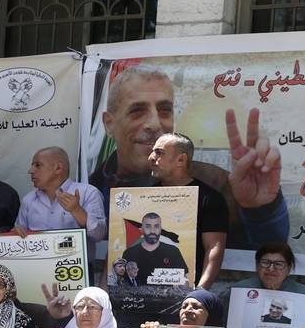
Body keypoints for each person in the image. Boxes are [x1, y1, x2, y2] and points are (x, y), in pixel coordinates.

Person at [91, 65, 288, 247]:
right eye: (137, 111)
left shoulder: (216, 184)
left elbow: (269, 253)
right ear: (109, 123)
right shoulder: (90, 191)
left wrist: (261, 211)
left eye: (164, 111)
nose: (154, 124)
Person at [148, 133, 228, 288]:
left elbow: (213, 250)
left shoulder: (209, 198)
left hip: (186, 295)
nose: (151, 158)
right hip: (144, 293)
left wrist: (199, 294)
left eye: (159, 153)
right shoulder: (144, 197)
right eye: (152, 152)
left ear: (181, 159)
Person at [14, 147, 107, 255]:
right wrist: (16, 235)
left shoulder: (88, 193)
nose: (30, 171)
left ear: (58, 168)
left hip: (77, 269)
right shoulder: (28, 200)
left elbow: (99, 235)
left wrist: (77, 210)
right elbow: (20, 233)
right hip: (37, 267)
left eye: (38, 165)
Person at [121, 212, 189, 287]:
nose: (152, 231)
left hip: (167, 298)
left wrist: (181, 285)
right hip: (135, 298)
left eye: (156, 226)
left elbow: (184, 282)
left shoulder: (173, 251)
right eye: (148, 226)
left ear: (160, 229)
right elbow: (122, 283)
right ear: (142, 229)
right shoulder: (129, 253)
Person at [229, 242, 305, 295]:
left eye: (278, 264)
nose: (271, 268)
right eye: (265, 262)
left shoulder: (304, 294)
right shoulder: (239, 290)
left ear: (289, 269)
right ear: (257, 266)